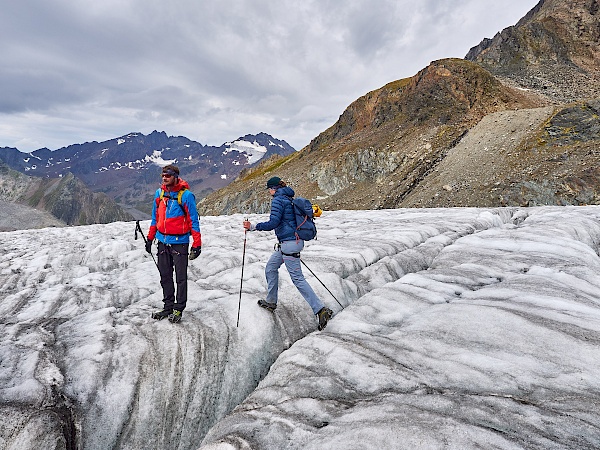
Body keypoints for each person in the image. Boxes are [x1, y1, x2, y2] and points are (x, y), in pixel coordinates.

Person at [243, 176, 333, 330]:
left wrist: (253, 226)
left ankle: (320, 310)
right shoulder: (288, 198)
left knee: (298, 279)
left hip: (290, 244)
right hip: (288, 243)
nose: (269, 192)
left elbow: (273, 223)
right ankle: (271, 302)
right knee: (271, 268)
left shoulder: (278, 200)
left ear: (273, 189)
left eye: (269, 189)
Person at [146, 165, 202, 323]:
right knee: (165, 276)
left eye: (168, 176)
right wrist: (150, 238)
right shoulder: (159, 194)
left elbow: (193, 221)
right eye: (163, 175)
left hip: (179, 243)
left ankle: (178, 308)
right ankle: (168, 306)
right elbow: (154, 219)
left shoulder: (186, 196)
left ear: (176, 177)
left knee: (180, 278)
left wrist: (196, 244)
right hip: (162, 241)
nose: (165, 178)